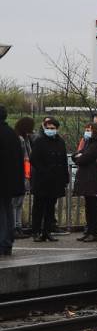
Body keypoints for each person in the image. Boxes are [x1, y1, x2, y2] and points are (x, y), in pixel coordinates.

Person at [28, 117, 69, 242]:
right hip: (42, 179)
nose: (50, 130)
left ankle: (47, 231)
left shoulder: (60, 142)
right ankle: (36, 231)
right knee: (38, 207)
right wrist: (43, 170)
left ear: (57, 129)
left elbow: (64, 160)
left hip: (55, 179)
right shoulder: (40, 141)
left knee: (51, 207)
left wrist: (65, 177)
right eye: (48, 128)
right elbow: (33, 159)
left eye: (52, 128)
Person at [71, 123, 97, 243]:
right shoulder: (90, 143)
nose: (86, 131)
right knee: (89, 206)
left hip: (93, 179)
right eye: (86, 129)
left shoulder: (96, 145)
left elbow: (82, 159)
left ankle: (93, 232)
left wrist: (79, 156)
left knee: (94, 207)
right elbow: (77, 155)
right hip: (90, 179)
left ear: (95, 131)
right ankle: (89, 231)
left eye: (88, 129)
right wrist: (78, 156)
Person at [0, 105, 26, 256]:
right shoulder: (12, 134)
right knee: (8, 210)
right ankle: (7, 243)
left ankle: (1, 243)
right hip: (11, 181)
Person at [12, 117, 35, 239]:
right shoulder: (21, 140)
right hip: (21, 176)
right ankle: (14, 228)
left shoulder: (25, 140)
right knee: (16, 204)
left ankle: (17, 227)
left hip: (25, 175)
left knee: (19, 203)